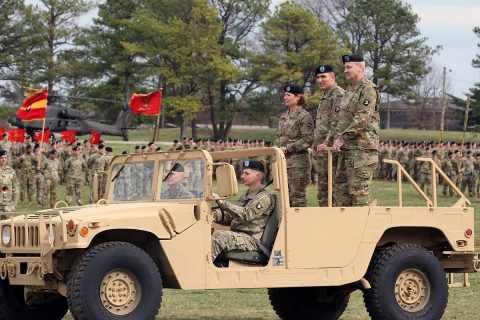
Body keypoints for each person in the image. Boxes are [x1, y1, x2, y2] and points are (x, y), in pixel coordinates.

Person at [333, 54, 380, 206]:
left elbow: (362, 118)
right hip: (347, 150)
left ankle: (363, 229)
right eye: (344, 67)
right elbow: (343, 120)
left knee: (358, 196)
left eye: (349, 67)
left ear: (360, 68)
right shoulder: (350, 89)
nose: (345, 70)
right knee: (342, 194)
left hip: (362, 151)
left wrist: (342, 138)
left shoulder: (368, 89)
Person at [211, 160, 275, 261]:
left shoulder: (263, 197)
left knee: (219, 236)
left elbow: (247, 214)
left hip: (251, 240)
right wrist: (212, 215)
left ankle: (202, 271)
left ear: (257, 176)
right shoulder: (244, 196)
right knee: (205, 233)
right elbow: (231, 217)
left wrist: (224, 203)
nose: (242, 176)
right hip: (239, 236)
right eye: (242, 173)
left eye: (246, 173)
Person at [274, 84, 314, 207]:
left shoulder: (304, 116)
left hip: (298, 165)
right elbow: (278, 137)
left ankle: (300, 225)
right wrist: (275, 149)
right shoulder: (284, 116)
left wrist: (288, 148)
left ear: (297, 97)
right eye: (284, 95)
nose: (284, 97)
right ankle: (286, 225)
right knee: (284, 198)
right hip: (283, 162)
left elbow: (308, 139)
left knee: (297, 197)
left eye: (288, 95)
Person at [313, 64, 347, 206]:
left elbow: (337, 122)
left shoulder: (338, 94)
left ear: (332, 77)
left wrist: (326, 143)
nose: (320, 80)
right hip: (323, 152)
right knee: (323, 190)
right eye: (318, 77)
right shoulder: (326, 96)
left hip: (333, 151)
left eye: (323, 77)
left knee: (334, 190)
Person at [0, 149, 19, 219]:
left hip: (7, 204)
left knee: (7, 226)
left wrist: (14, 204)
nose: (4, 159)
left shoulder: (11, 171)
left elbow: (16, 188)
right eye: (2, 158)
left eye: (5, 157)